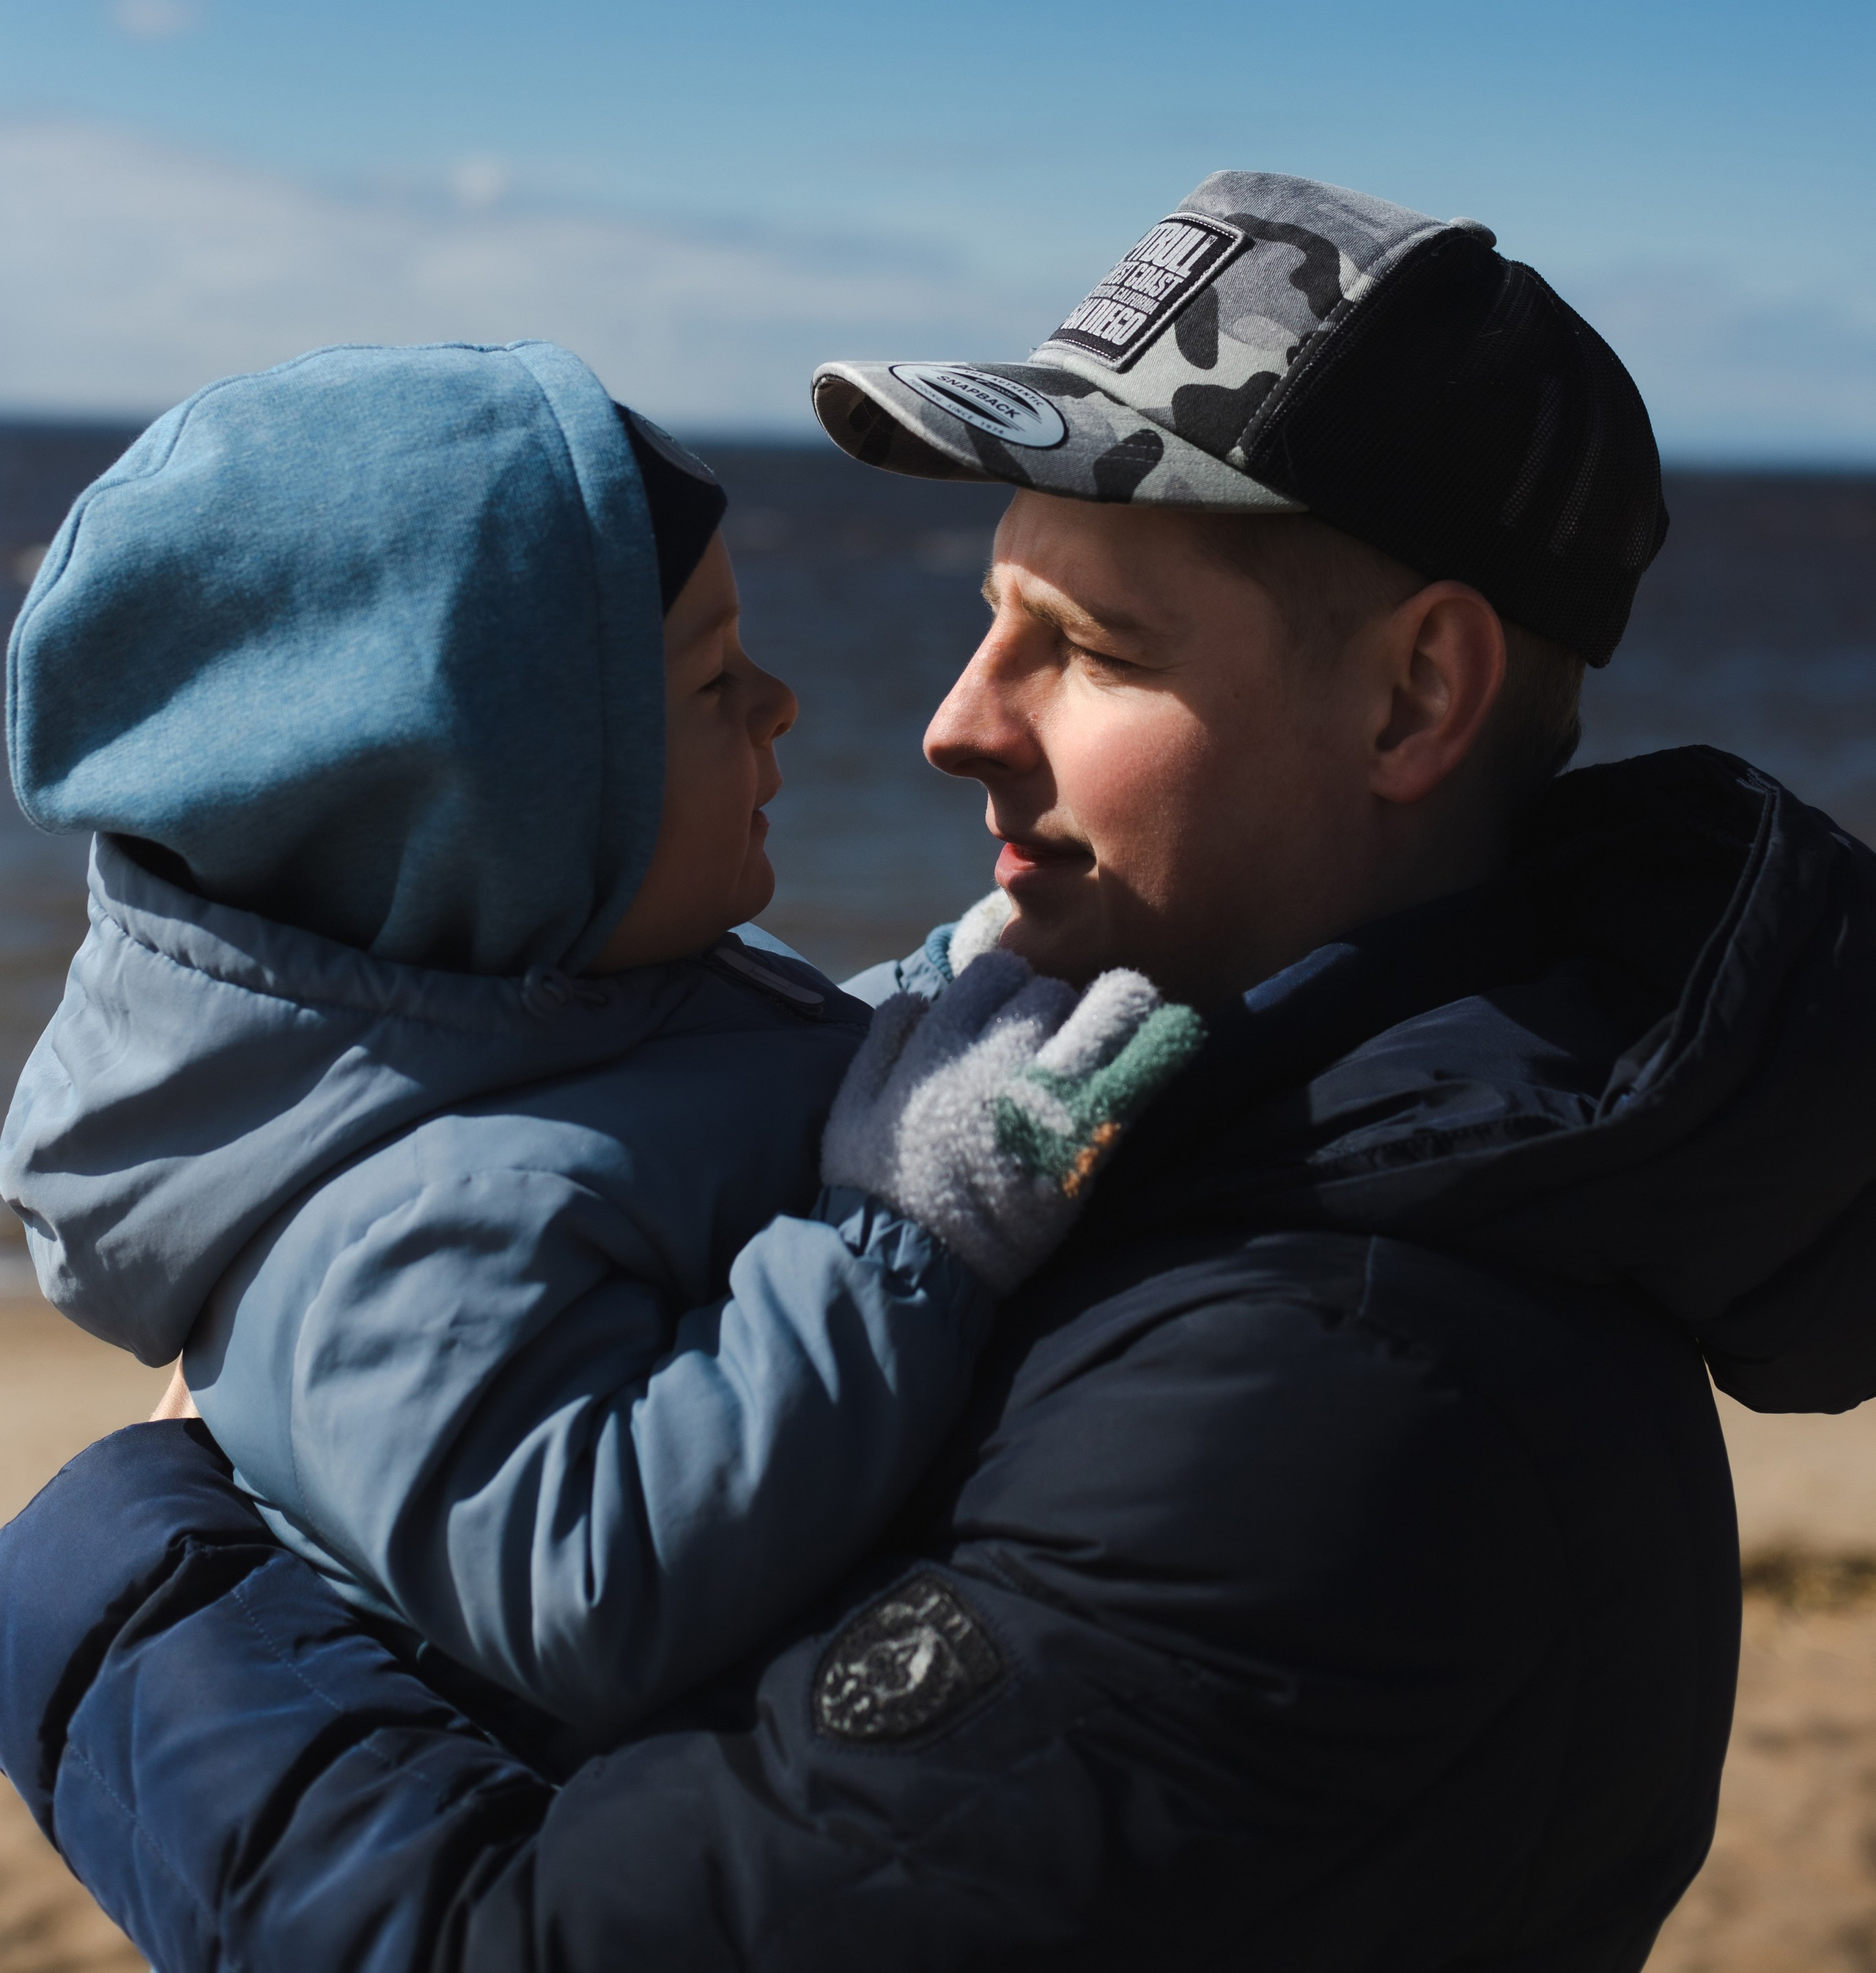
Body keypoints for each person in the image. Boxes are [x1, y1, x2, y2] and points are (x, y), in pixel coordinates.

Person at [7, 171, 1876, 1973]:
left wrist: (130, 1552)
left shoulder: (1332, 1399)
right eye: (988, 618)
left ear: (1408, 698)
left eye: (1078, 649)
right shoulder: (1233, 1123)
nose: (947, 725)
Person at [0, 336, 1192, 1749]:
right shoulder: (399, 1234)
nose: (783, 702)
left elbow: (737, 1091)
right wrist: (907, 1229)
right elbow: (590, 1581)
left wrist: (937, 987)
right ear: (495, 819)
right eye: (708, 682)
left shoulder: (564, 1007)